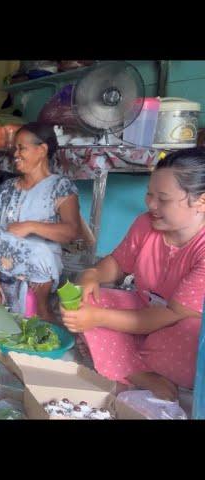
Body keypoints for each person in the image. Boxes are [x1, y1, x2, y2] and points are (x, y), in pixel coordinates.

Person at [60, 148, 205, 401]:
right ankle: (141, 372)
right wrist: (93, 274)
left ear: (201, 201)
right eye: (149, 194)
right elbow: (117, 263)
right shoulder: (146, 223)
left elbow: (172, 314)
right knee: (91, 299)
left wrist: (100, 319)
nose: (151, 204)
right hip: (145, 309)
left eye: (163, 198)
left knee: (191, 335)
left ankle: (124, 360)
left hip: (178, 328)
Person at [0, 123, 83, 320]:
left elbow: (72, 231)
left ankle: (43, 310)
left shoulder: (60, 187)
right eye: (14, 148)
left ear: (41, 150)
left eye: (21, 148)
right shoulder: (8, 187)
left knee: (40, 251)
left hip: (41, 261)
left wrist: (31, 226)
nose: (15, 153)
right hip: (5, 258)